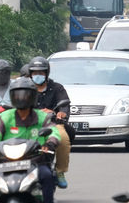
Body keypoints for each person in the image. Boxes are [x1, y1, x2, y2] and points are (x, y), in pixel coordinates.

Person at [0, 77, 61, 203]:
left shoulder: (42, 117)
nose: (21, 98)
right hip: (7, 162)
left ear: (33, 97)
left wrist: (50, 142)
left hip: (36, 161)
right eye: (17, 95)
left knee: (47, 176)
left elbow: (53, 131)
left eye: (25, 95)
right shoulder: (5, 116)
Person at [28, 56, 72, 189]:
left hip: (52, 124)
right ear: (30, 74)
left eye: (41, 73)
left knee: (63, 138)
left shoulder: (57, 88)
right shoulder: (25, 88)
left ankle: (60, 171)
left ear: (46, 73)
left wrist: (60, 113)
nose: (37, 75)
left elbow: (64, 105)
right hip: (29, 124)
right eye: (35, 73)